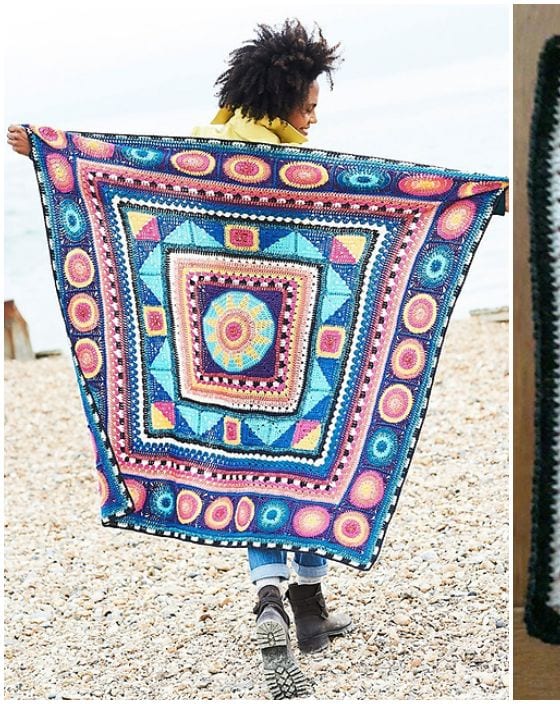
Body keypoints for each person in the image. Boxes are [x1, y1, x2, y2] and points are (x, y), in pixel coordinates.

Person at [9, 19, 352, 700]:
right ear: (283, 98)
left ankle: (267, 599)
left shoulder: (202, 152)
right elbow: (377, 205)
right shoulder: (297, 168)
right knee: (306, 463)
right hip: (294, 344)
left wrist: (47, 153)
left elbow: (123, 173)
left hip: (217, 347)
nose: (312, 121)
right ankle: (310, 609)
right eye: (308, 107)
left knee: (252, 464)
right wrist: (475, 201)